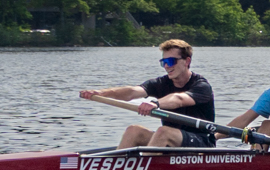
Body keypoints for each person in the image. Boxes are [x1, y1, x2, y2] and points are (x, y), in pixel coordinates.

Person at [79, 39, 216, 150]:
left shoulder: (201, 86)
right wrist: (101, 93)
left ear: (187, 61)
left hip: (201, 142)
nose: (167, 66)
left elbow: (179, 99)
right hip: (172, 140)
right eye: (163, 62)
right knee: (134, 130)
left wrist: (155, 103)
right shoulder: (161, 83)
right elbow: (132, 92)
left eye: (171, 61)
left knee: (163, 131)